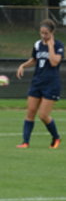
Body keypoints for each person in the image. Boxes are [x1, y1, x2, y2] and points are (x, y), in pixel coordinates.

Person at [16, 18, 64, 149]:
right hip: (37, 82)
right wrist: (23, 65)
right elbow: (34, 60)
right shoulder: (37, 44)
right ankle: (25, 142)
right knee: (30, 112)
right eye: (41, 33)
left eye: (46, 33)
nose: (43, 35)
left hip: (51, 84)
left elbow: (54, 62)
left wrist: (50, 46)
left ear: (52, 32)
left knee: (43, 115)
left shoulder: (58, 45)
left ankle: (56, 137)